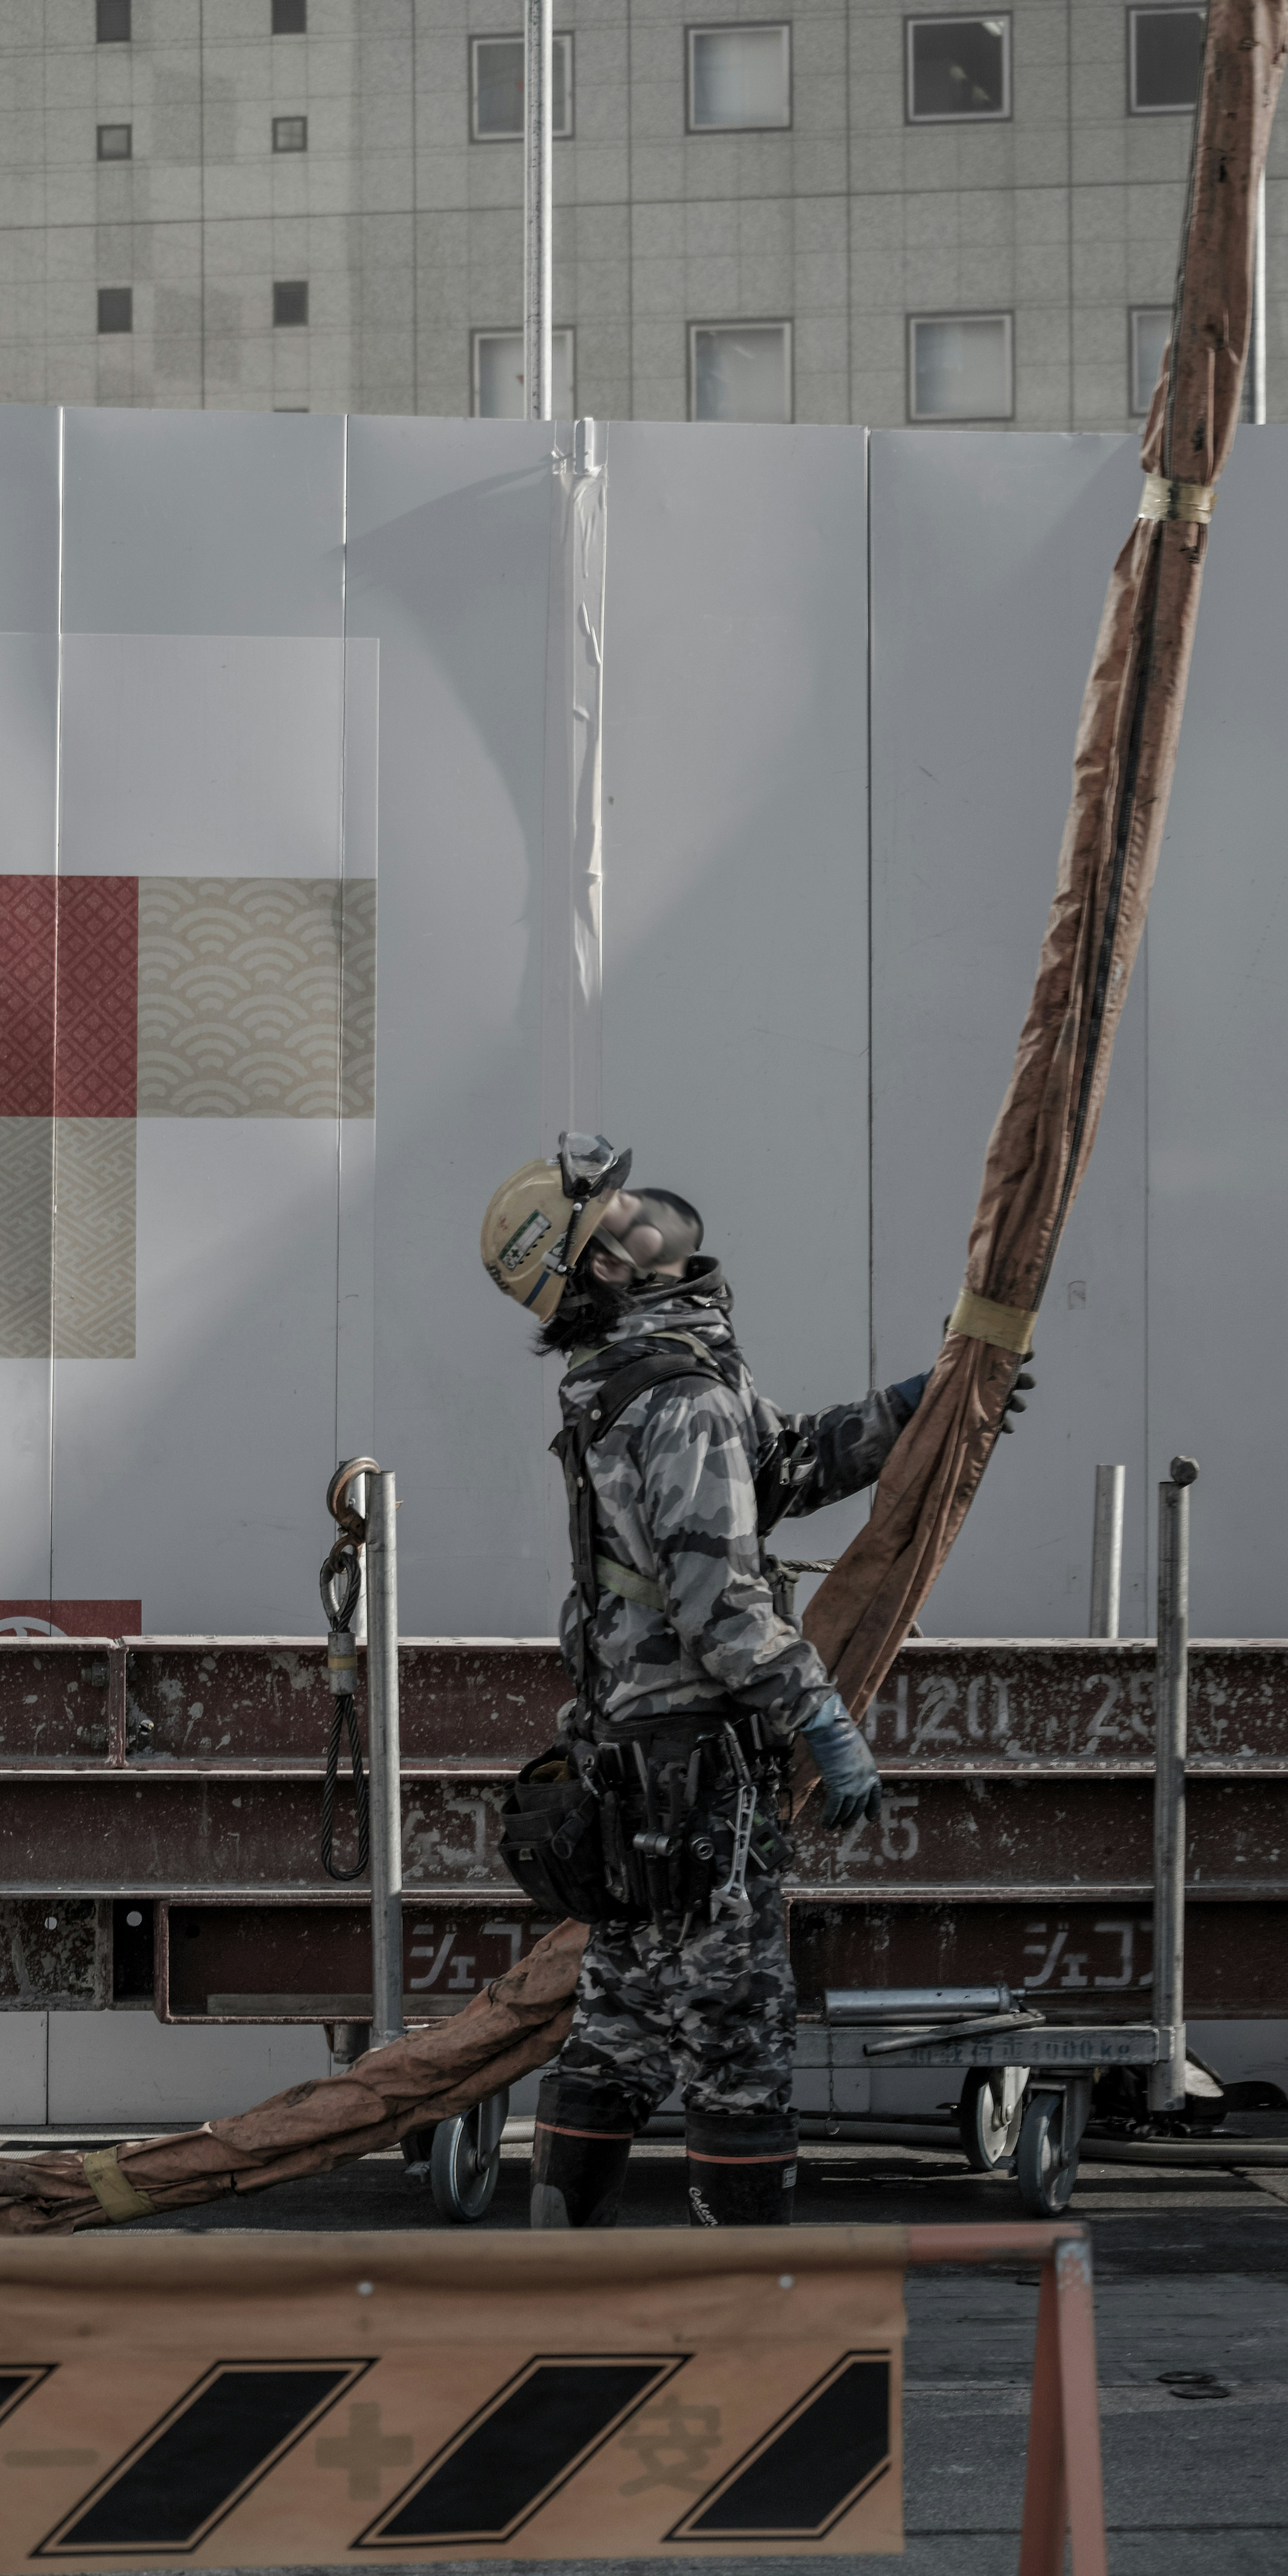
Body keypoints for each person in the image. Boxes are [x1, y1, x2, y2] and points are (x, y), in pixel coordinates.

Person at [480, 1133, 1027, 2229]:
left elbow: (783, 1468)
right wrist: (825, 1724)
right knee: (737, 2038)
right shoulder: (677, 1393)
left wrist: (917, 1408)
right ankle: (746, 2301)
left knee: (623, 2016)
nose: (649, 1213)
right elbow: (720, 1607)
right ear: (604, 1269)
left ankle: (551, 2268)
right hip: (691, 1764)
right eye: (620, 1215)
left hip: (634, 1756)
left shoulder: (662, 1378)